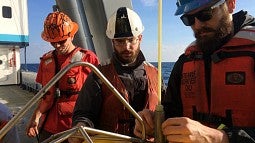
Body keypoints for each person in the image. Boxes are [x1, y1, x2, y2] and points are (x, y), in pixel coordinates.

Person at [134, 0, 255, 143]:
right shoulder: (185, 62)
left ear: (230, 4)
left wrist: (220, 138)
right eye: (189, 19)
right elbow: (173, 112)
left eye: (205, 14)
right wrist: (155, 123)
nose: (197, 25)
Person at [69, 7, 165, 143]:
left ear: (140, 38)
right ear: (112, 42)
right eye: (120, 41)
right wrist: (80, 126)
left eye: (131, 40)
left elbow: (168, 110)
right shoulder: (99, 74)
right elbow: (84, 114)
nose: (126, 46)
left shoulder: (155, 73)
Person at [25, 11, 99, 142]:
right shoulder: (45, 61)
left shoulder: (88, 59)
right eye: (53, 42)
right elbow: (44, 96)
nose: (57, 46)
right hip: (48, 126)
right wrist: (35, 118)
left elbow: (99, 96)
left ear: (72, 35)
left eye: (61, 41)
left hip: (75, 127)